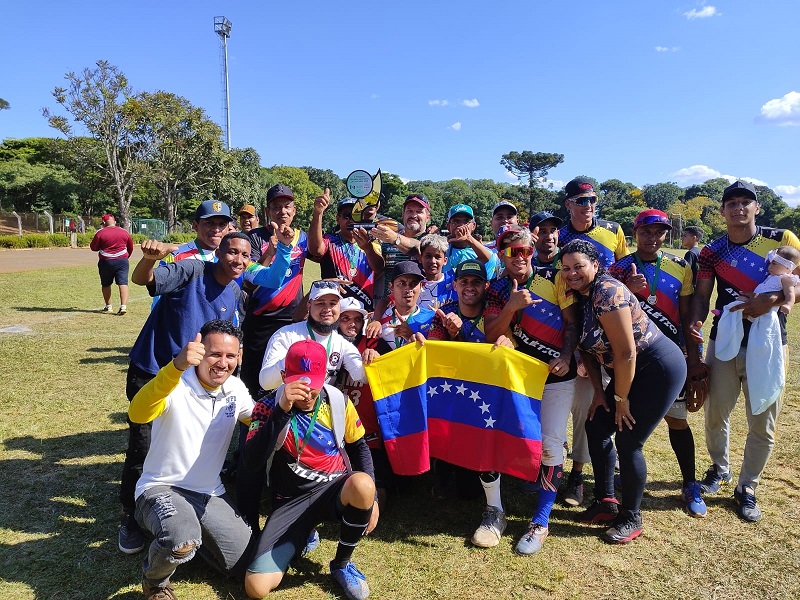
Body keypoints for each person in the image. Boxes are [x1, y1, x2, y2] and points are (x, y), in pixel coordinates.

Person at [117, 231, 290, 555]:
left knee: (192, 440)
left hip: (196, 381)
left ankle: (189, 502)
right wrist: (150, 257)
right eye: (231, 252)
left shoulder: (236, 291)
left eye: (244, 255)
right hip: (156, 370)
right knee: (142, 446)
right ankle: (132, 516)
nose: (237, 260)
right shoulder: (192, 269)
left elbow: (226, 344)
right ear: (217, 250)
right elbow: (145, 279)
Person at [561, 239, 686, 544]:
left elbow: (627, 352)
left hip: (656, 368)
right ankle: (605, 502)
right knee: (596, 424)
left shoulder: (607, 291)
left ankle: (631, 517)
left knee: (629, 439)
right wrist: (600, 395)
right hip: (625, 373)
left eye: (579, 266)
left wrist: (621, 399)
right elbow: (588, 352)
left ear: (595, 265)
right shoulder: (579, 295)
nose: (572, 273)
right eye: (566, 268)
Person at [690, 180, 800, 522]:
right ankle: (720, 469)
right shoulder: (711, 250)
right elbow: (702, 294)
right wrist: (694, 326)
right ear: (722, 211)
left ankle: (747, 486)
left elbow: (796, 284)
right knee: (715, 413)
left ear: (757, 208)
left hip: (767, 342)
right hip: (725, 341)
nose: (739, 207)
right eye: (732, 203)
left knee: (763, 420)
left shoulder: (782, 240)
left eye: (745, 202)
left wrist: (775, 298)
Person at [243, 340, 378, 600]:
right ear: (284, 376)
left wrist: (372, 499)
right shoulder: (266, 406)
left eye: (314, 384)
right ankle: (303, 535)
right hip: (290, 502)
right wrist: (281, 411)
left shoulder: (338, 401)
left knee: (363, 485)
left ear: (325, 375)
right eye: (298, 383)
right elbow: (251, 462)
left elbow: (360, 447)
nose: (307, 393)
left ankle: (341, 564)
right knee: (256, 587)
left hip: (334, 489)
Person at [130, 320, 254, 600]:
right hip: (160, 488)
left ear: (239, 357)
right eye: (215, 354)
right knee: (180, 536)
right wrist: (175, 366)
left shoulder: (234, 388)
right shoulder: (176, 382)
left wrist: (283, 406)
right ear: (198, 352)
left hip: (209, 492)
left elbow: (255, 418)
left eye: (230, 356)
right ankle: (155, 581)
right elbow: (137, 414)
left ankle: (187, 542)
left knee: (244, 563)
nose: (223, 363)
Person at [483, 225, 579, 554]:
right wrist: (511, 306)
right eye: (512, 252)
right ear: (501, 256)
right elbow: (490, 333)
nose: (520, 257)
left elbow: (571, 322)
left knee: (552, 444)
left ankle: (541, 520)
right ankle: (498, 506)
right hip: (518, 380)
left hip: (556, 377)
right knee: (512, 437)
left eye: (525, 250)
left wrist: (567, 355)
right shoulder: (496, 288)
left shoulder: (555, 278)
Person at [608, 209, 706, 517]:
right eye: (646, 232)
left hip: (669, 357)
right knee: (627, 419)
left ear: (667, 234)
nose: (652, 238)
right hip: (632, 357)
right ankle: (627, 473)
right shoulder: (618, 267)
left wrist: (694, 358)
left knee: (677, 422)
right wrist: (630, 291)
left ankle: (690, 484)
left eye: (659, 232)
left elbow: (687, 314)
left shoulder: (681, 265)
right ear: (635, 233)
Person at [558, 178, 629, 506]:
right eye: (581, 201)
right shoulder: (558, 233)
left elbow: (623, 268)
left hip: (609, 320)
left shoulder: (613, 229)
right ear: (569, 203)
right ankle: (563, 469)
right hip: (575, 325)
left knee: (595, 405)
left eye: (592, 200)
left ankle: (581, 474)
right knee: (580, 401)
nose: (588, 207)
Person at [240, 183, 310, 399]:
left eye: (287, 206)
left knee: (289, 378)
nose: (282, 211)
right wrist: (270, 252)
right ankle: (249, 429)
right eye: (276, 206)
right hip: (259, 320)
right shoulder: (253, 238)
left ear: (294, 210)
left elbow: (321, 252)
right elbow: (248, 282)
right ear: (267, 211)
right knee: (253, 382)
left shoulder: (303, 237)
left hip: (292, 319)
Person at [308, 191, 384, 312]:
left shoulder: (372, 243)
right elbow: (315, 249)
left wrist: (368, 248)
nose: (352, 220)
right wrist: (318, 213)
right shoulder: (330, 240)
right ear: (338, 219)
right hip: (333, 310)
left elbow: (379, 268)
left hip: (364, 310)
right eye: (347, 215)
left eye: (356, 215)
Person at [370, 194, 432, 318]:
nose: (413, 215)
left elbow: (420, 248)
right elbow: (378, 270)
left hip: (423, 313)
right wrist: (367, 248)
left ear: (428, 217)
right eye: (409, 211)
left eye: (419, 211)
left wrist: (395, 239)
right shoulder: (386, 240)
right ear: (403, 214)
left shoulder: (433, 241)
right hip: (388, 312)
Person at [373, 261, 436, 350]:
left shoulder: (433, 318)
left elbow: (435, 356)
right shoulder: (377, 320)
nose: (408, 289)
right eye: (402, 284)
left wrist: (411, 336)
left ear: (421, 286)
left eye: (413, 284)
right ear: (391, 287)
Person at [90, 213, 133, 315]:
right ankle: (123, 306)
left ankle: (109, 306)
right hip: (122, 261)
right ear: (115, 222)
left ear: (104, 222)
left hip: (106, 261)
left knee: (106, 284)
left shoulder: (100, 233)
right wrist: (126, 257)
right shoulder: (124, 232)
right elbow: (130, 247)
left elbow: (93, 247)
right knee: (123, 283)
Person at [164, 200, 235, 263]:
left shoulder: (235, 257)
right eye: (209, 223)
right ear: (195, 226)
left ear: (228, 228)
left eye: (222, 224)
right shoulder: (176, 256)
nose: (216, 229)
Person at [441, 203, 494, 274]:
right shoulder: (441, 251)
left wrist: (468, 239)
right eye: (456, 221)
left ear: (473, 226)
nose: (461, 225)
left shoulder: (485, 253)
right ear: (448, 227)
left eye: (466, 222)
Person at [417, 234, 456, 311]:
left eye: (437, 257)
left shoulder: (453, 278)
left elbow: (485, 258)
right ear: (421, 258)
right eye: (428, 256)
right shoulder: (415, 284)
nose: (432, 261)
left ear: (445, 261)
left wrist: (469, 239)